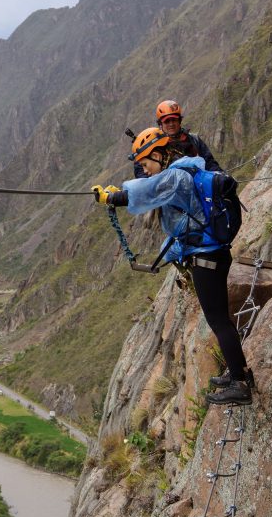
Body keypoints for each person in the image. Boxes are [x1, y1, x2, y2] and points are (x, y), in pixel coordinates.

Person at [94, 128, 253, 406]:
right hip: (212, 255)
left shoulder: (175, 176)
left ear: (158, 154)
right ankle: (239, 374)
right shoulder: (187, 170)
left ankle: (240, 384)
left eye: (146, 164)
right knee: (221, 319)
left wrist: (112, 197)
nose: (145, 170)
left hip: (207, 260)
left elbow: (145, 192)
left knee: (219, 322)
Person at [155, 99, 223, 172]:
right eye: (167, 121)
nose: (171, 124)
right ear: (160, 124)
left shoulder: (194, 140)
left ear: (179, 121)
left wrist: (221, 176)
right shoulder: (156, 147)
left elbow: (210, 163)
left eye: (174, 120)